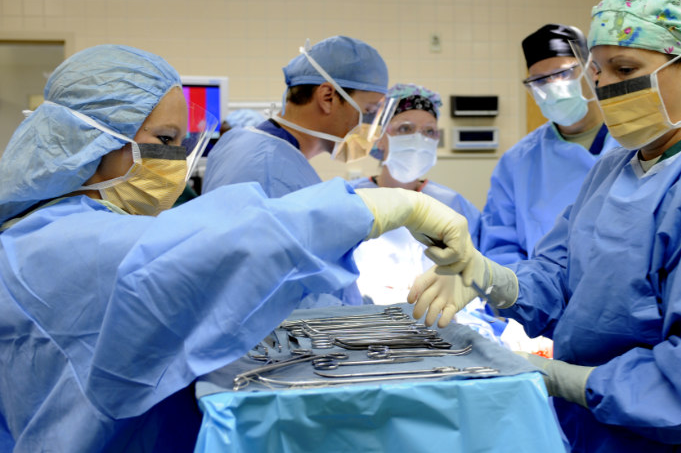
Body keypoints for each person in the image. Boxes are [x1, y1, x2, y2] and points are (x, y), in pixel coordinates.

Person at [0, 44, 473, 452]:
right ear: (92, 136)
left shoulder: (67, 225)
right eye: (164, 141)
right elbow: (223, 241)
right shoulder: (50, 244)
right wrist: (383, 207)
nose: (174, 160)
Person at [407, 0, 681, 452]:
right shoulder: (616, 168)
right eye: (598, 70)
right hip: (592, 432)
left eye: (625, 67)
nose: (605, 85)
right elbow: (558, 276)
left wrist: (561, 378)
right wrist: (485, 274)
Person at [200, 36, 389, 309]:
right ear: (327, 97)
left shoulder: (269, 152)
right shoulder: (266, 166)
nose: (370, 128)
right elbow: (271, 292)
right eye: (369, 111)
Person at [480, 24, 618, 265]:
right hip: (543, 297)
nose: (553, 86)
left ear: (592, 70)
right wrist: (525, 295)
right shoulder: (517, 163)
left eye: (564, 73)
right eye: (540, 80)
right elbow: (500, 247)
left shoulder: (632, 141)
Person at [350, 83, 481, 305]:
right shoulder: (351, 199)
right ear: (379, 138)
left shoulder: (453, 204)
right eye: (405, 129)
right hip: (363, 326)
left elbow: (474, 280)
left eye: (429, 131)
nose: (418, 139)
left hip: (439, 326)